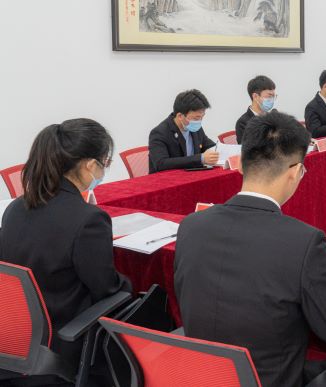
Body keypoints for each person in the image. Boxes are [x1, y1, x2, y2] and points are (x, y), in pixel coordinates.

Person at [174, 112, 326, 387]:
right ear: (295, 172)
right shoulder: (304, 242)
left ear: (241, 164)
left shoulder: (191, 226)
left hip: (202, 377)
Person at [0, 119, 131, 365]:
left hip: (15, 334)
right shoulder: (89, 219)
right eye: (105, 163)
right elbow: (106, 289)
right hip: (63, 338)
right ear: (90, 165)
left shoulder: (15, 208)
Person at [149, 89, 217, 173]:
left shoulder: (195, 128)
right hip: (168, 178)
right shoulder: (159, 133)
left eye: (202, 117)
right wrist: (201, 158)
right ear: (180, 116)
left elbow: (209, 146)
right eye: (196, 118)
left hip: (192, 176)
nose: (199, 121)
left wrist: (221, 150)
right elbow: (161, 163)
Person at [236, 75, 277, 144]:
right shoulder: (243, 122)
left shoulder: (273, 118)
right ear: (255, 96)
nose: (272, 100)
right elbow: (246, 148)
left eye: (273, 96)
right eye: (269, 96)